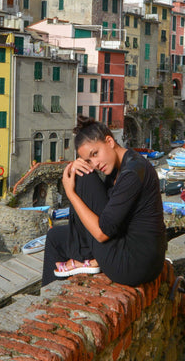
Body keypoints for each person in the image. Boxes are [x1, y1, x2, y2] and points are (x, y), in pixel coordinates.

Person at [42, 116, 167, 288]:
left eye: (95, 154)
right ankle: (50, 302)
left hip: (133, 265)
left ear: (109, 141)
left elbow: (102, 233)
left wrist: (70, 192)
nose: (95, 163)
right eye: (89, 160)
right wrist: (75, 166)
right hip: (145, 261)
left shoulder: (132, 172)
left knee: (84, 176)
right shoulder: (122, 168)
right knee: (54, 237)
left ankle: (86, 258)